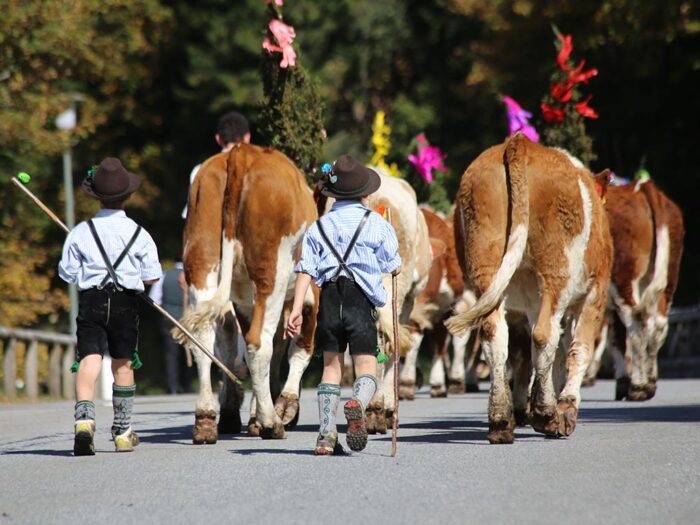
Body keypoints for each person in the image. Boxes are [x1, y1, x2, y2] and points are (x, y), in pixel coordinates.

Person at [285, 154, 401, 455]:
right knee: (367, 367)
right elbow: (393, 264)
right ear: (364, 192)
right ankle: (357, 405)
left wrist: (296, 310)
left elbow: (304, 270)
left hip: (329, 300)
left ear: (333, 193)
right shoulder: (376, 223)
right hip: (359, 300)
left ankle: (325, 434)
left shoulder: (319, 227)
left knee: (330, 369)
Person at [59, 157, 163, 456]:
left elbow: (67, 272)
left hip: (91, 299)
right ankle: (122, 431)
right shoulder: (139, 233)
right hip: (124, 303)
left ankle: (84, 422)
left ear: (96, 197)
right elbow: (152, 275)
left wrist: (88, 274)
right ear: (128, 195)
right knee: (123, 364)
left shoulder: (80, 231)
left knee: (89, 360)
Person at [181, 110, 251, 218]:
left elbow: (190, 217)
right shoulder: (262, 169)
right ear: (247, 137)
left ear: (218, 139)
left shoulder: (200, 170)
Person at [148, 259, 195, 394]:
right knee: (189, 353)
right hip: (189, 319)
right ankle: (188, 385)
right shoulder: (192, 275)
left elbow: (155, 299)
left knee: (171, 355)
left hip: (169, 319)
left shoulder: (165, 275)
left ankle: (172, 386)